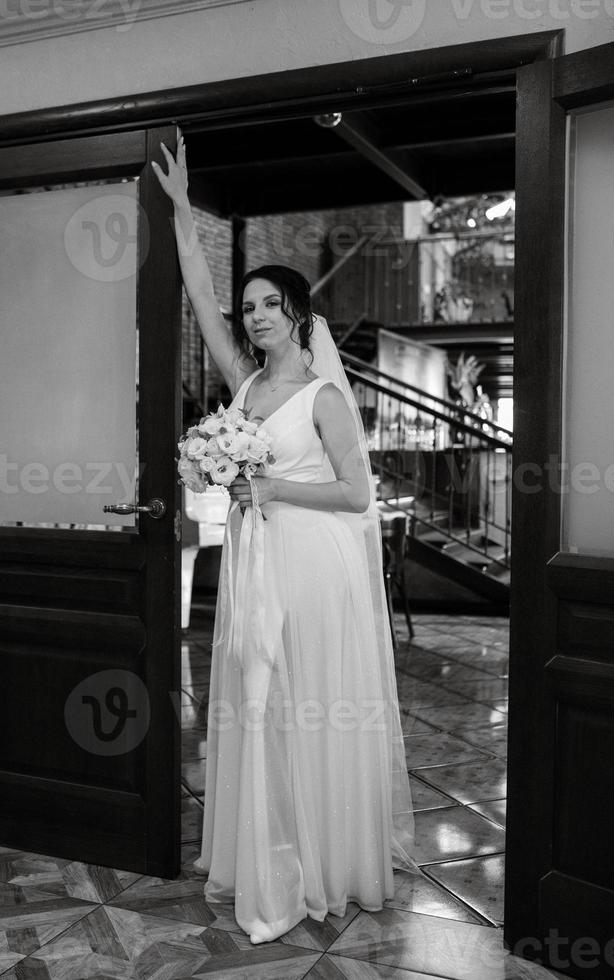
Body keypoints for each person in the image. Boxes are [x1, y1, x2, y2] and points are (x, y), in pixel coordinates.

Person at [153, 136, 420, 944]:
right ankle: (260, 851)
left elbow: (356, 493)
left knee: (305, 702)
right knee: (254, 698)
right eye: (251, 305)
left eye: (270, 303)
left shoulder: (322, 395)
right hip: (254, 561)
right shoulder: (246, 384)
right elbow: (198, 294)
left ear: (299, 313)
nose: (254, 314)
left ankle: (320, 859)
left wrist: (268, 487)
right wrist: (178, 208)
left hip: (313, 565)